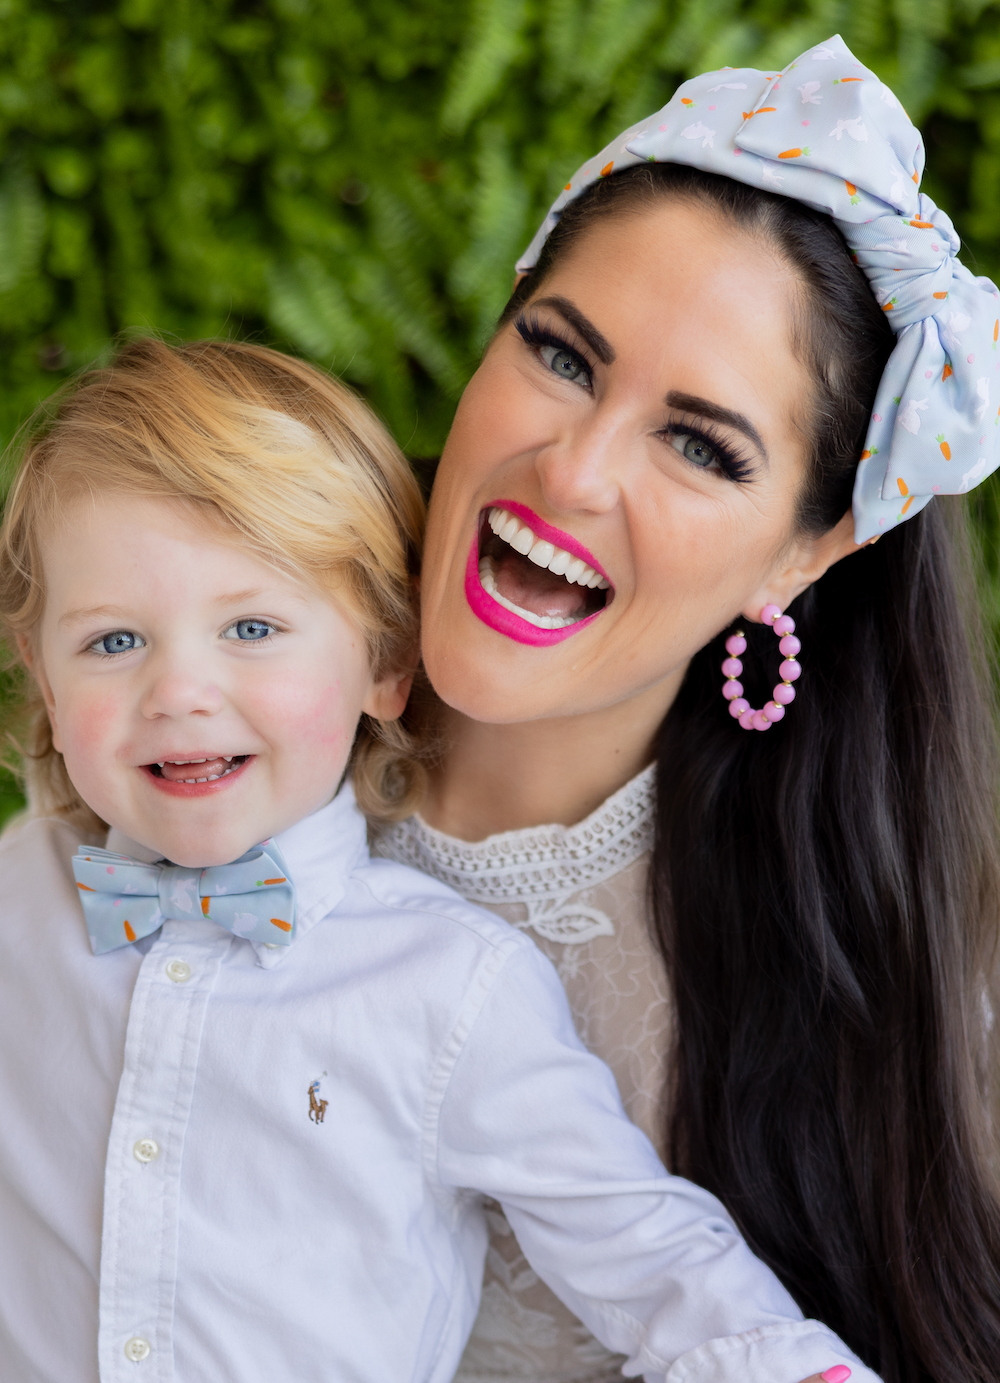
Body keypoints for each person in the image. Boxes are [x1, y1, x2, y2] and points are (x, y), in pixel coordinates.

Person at [0, 336, 864, 1383]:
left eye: (254, 626)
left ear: (385, 663)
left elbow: (640, 1246)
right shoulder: (19, 896)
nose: (179, 690)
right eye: (112, 643)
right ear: (46, 688)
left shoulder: (449, 986)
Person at [375, 34, 1000, 1383]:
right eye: (559, 353)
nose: (576, 468)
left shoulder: (863, 1017)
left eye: (702, 443)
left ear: (805, 552)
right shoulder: (196, 715)